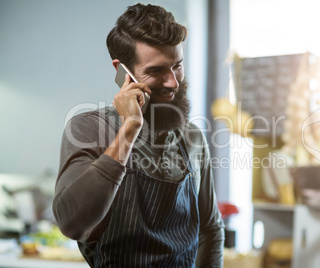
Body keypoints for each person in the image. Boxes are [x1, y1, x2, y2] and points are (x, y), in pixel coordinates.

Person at [52, 3, 224, 267]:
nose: (173, 83)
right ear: (123, 71)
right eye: (156, 71)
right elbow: (71, 223)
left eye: (177, 66)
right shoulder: (88, 130)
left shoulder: (193, 138)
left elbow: (210, 229)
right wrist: (130, 127)